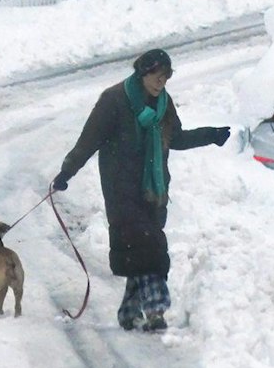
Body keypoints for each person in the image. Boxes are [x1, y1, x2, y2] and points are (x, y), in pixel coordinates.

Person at [52, 48, 230, 332]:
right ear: (142, 73)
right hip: (121, 189)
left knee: (140, 252)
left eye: (166, 77)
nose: (162, 82)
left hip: (154, 190)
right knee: (151, 248)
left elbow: (177, 138)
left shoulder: (164, 104)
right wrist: (66, 172)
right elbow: (88, 141)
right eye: (157, 76)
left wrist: (211, 134)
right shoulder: (114, 101)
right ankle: (156, 310)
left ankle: (129, 312)